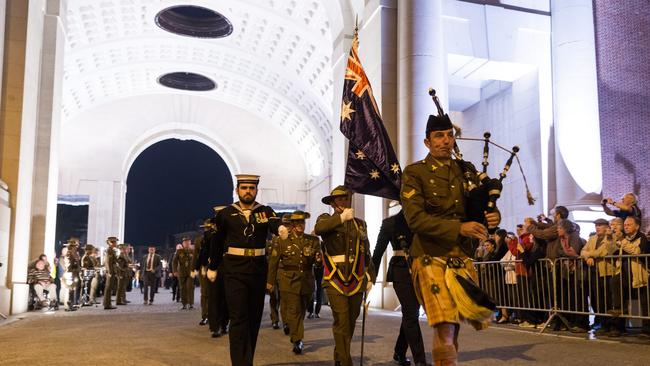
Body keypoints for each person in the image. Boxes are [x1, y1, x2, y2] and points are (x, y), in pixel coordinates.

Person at [400, 114, 500, 366]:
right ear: (427, 142)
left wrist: (492, 217)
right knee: (444, 325)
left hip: (461, 258)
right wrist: (459, 227)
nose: (445, 141)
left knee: (452, 327)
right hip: (429, 256)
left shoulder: (465, 171)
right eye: (438, 136)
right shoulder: (415, 173)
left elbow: (475, 211)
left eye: (448, 135)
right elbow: (416, 220)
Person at [206, 174, 280, 366]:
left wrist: (281, 229)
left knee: (254, 318)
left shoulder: (264, 211)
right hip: (234, 270)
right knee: (239, 317)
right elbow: (216, 242)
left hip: (257, 269)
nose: (248, 191)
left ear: (256, 190)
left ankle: (248, 360)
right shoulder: (225, 214)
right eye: (244, 188)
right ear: (237, 190)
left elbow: (274, 222)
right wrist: (213, 266)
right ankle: (239, 363)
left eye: (252, 188)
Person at [314, 185, 375, 366]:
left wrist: (370, 275)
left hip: (356, 278)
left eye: (346, 198)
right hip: (335, 277)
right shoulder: (326, 219)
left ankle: (339, 357)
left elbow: (367, 251)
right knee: (341, 319)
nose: (344, 201)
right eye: (340, 199)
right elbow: (319, 229)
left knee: (350, 321)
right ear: (332, 203)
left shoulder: (360, 223)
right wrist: (341, 218)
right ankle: (346, 361)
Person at [371, 204, 426, 366]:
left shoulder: (424, 220)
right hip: (401, 271)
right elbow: (378, 251)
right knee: (411, 314)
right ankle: (420, 361)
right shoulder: (390, 223)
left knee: (411, 314)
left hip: (423, 269)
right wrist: (370, 276)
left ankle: (399, 352)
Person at [267, 210, 320, 354]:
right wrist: (270, 282)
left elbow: (318, 262)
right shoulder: (281, 240)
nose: (299, 225)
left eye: (301, 222)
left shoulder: (313, 240)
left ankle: (295, 330)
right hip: (288, 280)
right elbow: (273, 262)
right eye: (296, 222)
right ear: (292, 224)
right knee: (294, 309)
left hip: (307, 280)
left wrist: (318, 260)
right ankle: (298, 340)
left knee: (301, 310)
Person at [195, 220, 213, 324]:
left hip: (215, 268)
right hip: (203, 268)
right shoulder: (199, 240)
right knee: (204, 293)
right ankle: (205, 315)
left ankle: (214, 314)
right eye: (206, 228)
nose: (207, 230)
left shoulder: (217, 238)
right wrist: (194, 268)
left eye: (209, 228)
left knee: (214, 293)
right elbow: (196, 256)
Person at [173, 236, 196, 310]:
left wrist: (197, 269)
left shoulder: (193, 251)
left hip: (191, 272)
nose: (187, 243)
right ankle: (184, 304)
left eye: (188, 242)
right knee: (182, 288)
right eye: (185, 242)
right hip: (181, 272)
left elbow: (197, 260)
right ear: (183, 243)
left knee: (190, 287)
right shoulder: (179, 251)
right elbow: (174, 261)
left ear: (190, 243)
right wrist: (175, 271)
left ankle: (191, 303)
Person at [103, 236, 119, 310]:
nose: (116, 243)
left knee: (109, 287)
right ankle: (107, 304)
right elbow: (108, 262)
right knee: (108, 288)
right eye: (115, 242)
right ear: (111, 243)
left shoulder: (111, 250)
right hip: (110, 271)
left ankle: (106, 303)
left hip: (112, 270)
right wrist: (109, 272)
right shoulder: (109, 250)